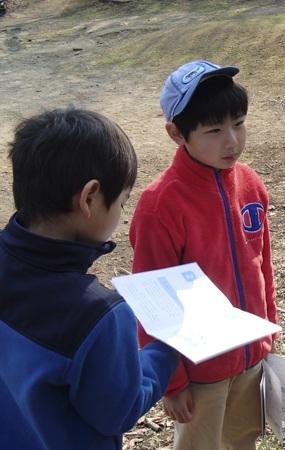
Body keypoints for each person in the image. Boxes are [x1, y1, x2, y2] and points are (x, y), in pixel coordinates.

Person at [0, 107, 179, 449]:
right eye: (122, 203)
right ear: (90, 198)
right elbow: (116, 412)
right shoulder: (99, 317)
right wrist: (168, 350)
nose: (122, 213)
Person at [129, 60, 278, 450]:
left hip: (250, 356)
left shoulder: (250, 184)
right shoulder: (161, 205)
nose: (232, 141)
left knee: (244, 439)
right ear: (176, 133)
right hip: (200, 371)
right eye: (214, 130)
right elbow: (153, 301)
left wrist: (268, 333)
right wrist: (173, 382)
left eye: (239, 123)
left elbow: (263, 265)